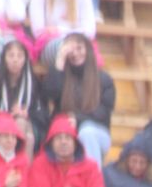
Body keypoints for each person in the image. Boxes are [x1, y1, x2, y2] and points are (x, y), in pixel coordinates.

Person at [39, 32, 114, 166]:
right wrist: (60, 61)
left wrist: (78, 119)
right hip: (66, 129)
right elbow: (49, 93)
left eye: (79, 48)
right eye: (70, 49)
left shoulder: (104, 79)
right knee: (60, 135)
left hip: (97, 132)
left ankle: (92, 178)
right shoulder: (61, 76)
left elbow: (104, 112)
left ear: (88, 50)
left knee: (86, 132)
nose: (75, 53)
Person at [0, 40, 47, 158]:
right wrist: (9, 116)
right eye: (11, 55)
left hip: (31, 125)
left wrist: (27, 113)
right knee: (27, 136)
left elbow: (43, 113)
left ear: (25, 60)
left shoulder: (34, 83)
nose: (15, 60)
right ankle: (21, 169)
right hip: (0, 126)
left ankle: (17, 167)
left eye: (19, 56)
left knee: (22, 123)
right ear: (4, 59)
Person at [29, 0, 98, 69]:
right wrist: (73, 33)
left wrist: (60, 30)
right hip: (49, 44)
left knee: (80, 49)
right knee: (66, 49)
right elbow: (38, 32)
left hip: (77, 41)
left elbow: (90, 31)